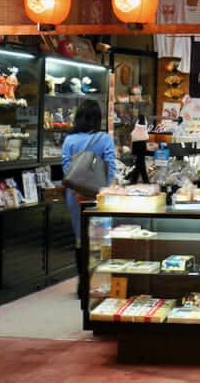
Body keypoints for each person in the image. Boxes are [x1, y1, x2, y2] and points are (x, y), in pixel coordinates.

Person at [62, 99, 117, 300]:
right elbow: (111, 167)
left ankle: (82, 284)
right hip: (97, 196)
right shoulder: (104, 139)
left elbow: (66, 167)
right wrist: (100, 190)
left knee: (80, 238)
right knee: (99, 238)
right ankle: (97, 283)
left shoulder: (70, 140)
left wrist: (77, 189)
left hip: (74, 196)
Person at [128, 114, 150, 184]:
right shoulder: (145, 125)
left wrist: (131, 147)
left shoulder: (136, 125)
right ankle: (145, 180)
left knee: (139, 163)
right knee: (141, 163)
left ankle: (134, 180)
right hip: (142, 145)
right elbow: (147, 137)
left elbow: (132, 136)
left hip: (136, 145)